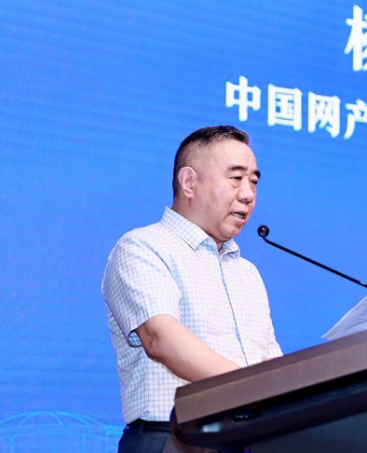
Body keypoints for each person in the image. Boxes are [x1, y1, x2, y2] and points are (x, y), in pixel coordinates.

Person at [102, 125, 282, 453]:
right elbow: (161, 339)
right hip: (174, 439)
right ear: (189, 183)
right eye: (236, 178)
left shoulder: (247, 272)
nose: (248, 194)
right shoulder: (143, 247)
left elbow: (269, 359)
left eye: (254, 181)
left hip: (251, 441)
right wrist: (257, 389)